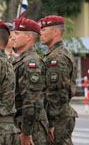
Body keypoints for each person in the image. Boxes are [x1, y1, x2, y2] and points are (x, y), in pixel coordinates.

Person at [38, 15, 78, 145]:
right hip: (58, 115)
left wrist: (52, 122)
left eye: (44, 30)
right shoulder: (54, 54)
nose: (40, 33)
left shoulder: (58, 57)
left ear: (55, 32)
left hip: (59, 118)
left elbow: (58, 92)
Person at [12, 18, 49, 145]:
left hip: (32, 130)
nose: (13, 37)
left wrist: (27, 133)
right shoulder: (22, 61)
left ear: (28, 37)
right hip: (21, 124)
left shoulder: (30, 63)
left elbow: (32, 102)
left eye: (17, 33)